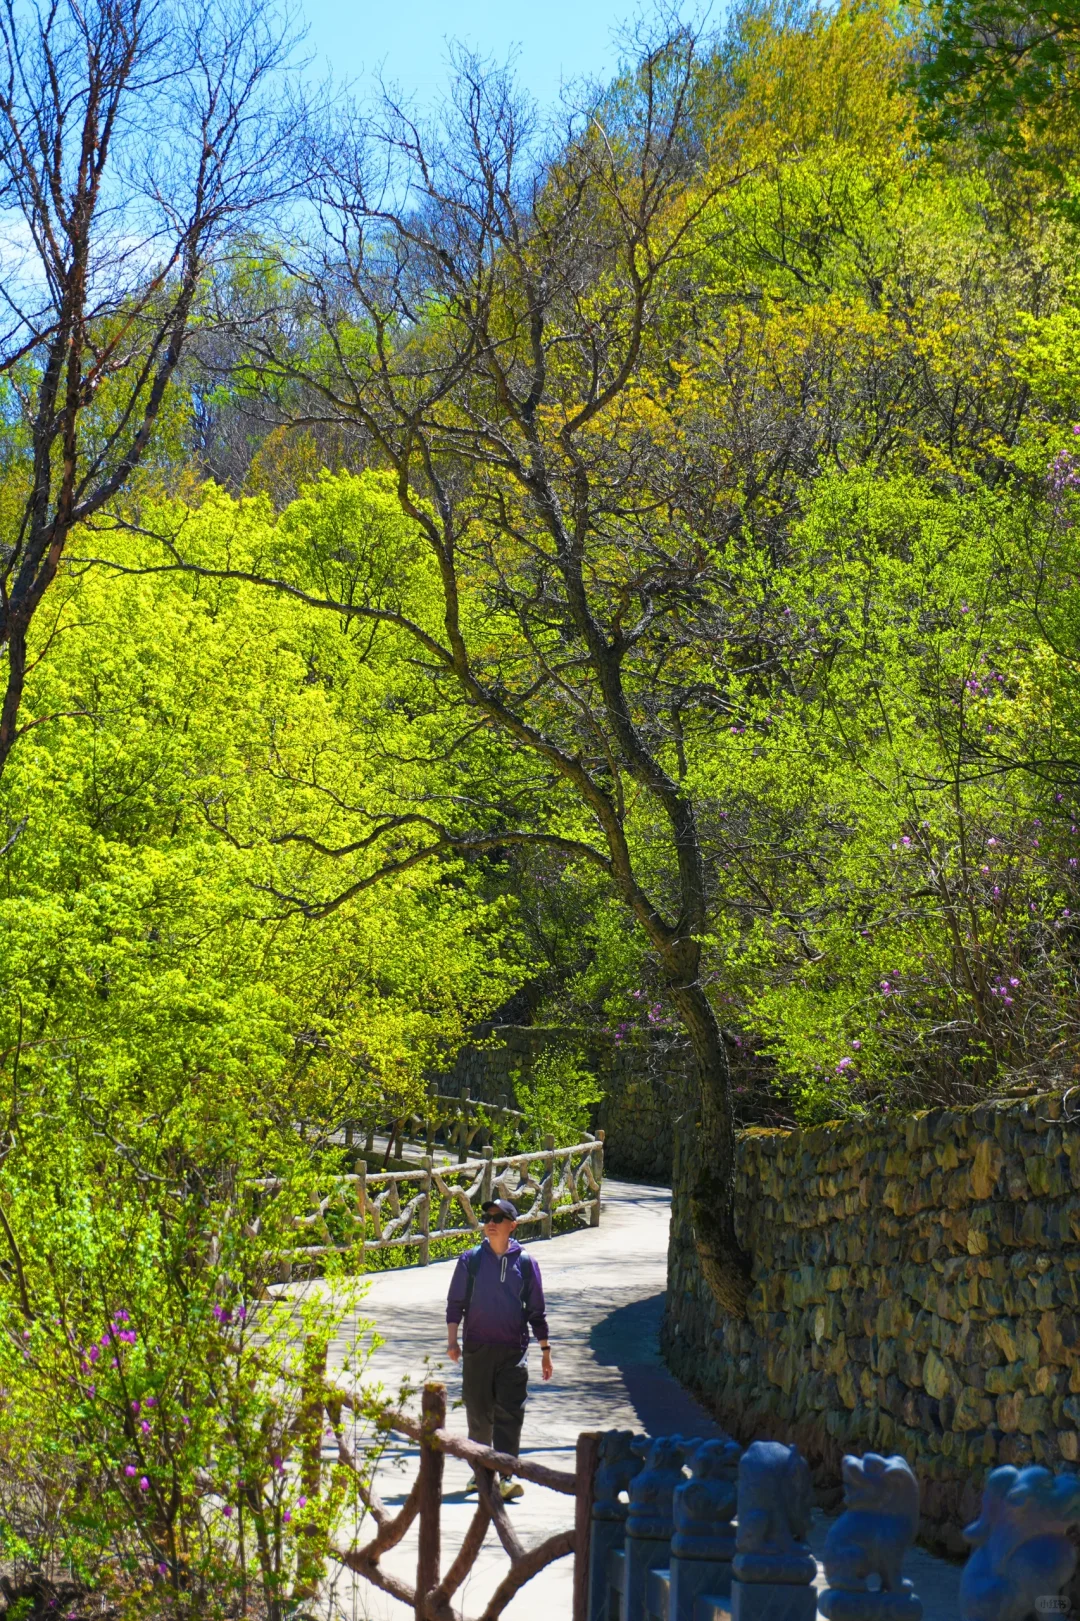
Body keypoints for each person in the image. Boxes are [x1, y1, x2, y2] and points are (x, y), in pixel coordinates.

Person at [445, 1197, 553, 1502]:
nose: (490, 1223)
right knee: (479, 1415)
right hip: (477, 1349)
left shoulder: (526, 1263)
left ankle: (505, 1475)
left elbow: (536, 1311)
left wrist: (545, 1349)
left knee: (510, 1414)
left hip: (513, 1351)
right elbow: (455, 1304)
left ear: (512, 1226)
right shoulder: (470, 1260)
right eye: (487, 1218)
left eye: (498, 1218)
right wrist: (452, 1341)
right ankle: (481, 1472)